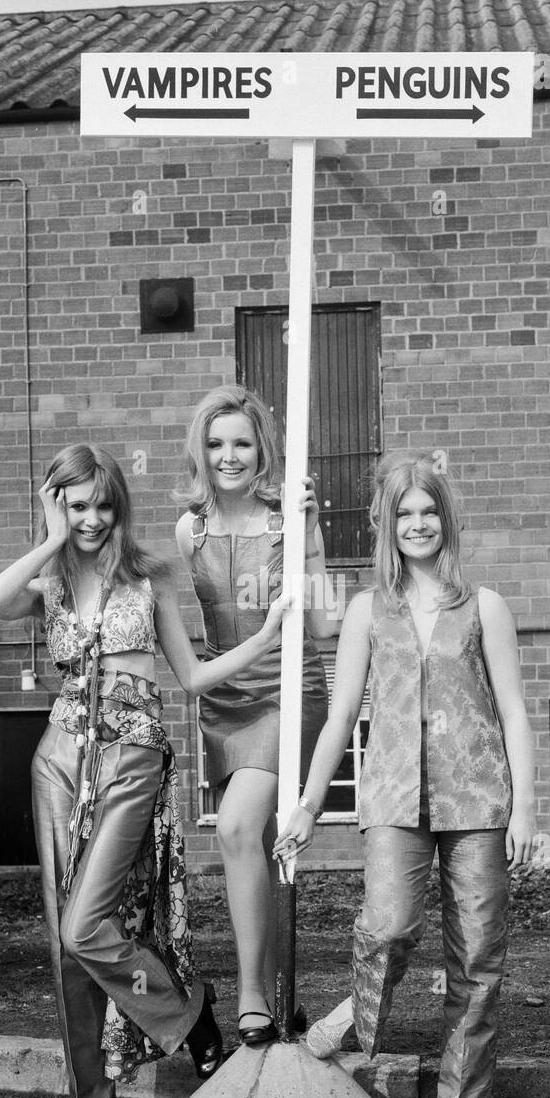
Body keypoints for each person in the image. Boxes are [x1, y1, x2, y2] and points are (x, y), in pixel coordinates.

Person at [0, 445, 288, 1098]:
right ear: (58, 506)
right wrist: (50, 539)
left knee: (85, 923)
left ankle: (188, 1014)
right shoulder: (50, 581)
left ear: (120, 505)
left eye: (101, 504)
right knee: (66, 942)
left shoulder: (149, 580)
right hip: (60, 755)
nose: (91, 518)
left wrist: (268, 634)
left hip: (133, 753)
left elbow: (192, 677)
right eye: (76, 505)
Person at [274, 451, 535, 1098]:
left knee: (476, 959)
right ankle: (351, 1024)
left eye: (428, 511)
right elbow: (338, 718)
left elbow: (513, 713)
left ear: (444, 520)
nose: (417, 524)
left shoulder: (484, 607)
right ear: (386, 525)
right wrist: (305, 803)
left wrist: (525, 809)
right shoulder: (366, 610)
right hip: (392, 795)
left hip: (478, 799)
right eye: (403, 514)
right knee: (387, 927)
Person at [175, 386, 335, 1045]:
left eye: (241, 442)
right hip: (224, 702)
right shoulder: (190, 529)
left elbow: (322, 620)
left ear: (260, 446)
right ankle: (278, 1000)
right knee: (258, 851)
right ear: (200, 450)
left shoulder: (286, 519)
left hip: (289, 691)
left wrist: (313, 531)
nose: (228, 455)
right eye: (215, 444)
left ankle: (248, 1000)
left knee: (238, 827)